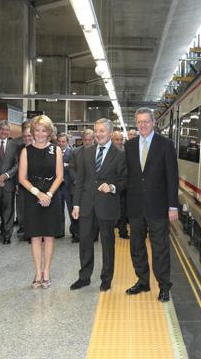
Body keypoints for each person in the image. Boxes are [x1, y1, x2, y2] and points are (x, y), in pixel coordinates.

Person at [125, 108, 179, 302]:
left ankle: (164, 286)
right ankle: (143, 282)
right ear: (136, 124)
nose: (143, 125)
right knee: (136, 247)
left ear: (154, 122)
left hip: (158, 207)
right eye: (139, 122)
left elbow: (172, 178)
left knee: (160, 249)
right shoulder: (129, 146)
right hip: (136, 207)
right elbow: (128, 176)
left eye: (146, 121)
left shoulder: (166, 145)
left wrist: (173, 206)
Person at [70, 119, 126, 292]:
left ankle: (106, 279)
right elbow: (80, 181)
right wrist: (76, 204)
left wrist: (112, 187)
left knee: (107, 244)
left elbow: (125, 180)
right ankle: (84, 277)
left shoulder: (120, 155)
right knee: (85, 241)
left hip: (107, 206)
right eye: (96, 131)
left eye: (102, 131)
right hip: (86, 204)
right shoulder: (86, 152)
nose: (99, 134)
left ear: (110, 133)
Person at [18, 115, 63, 288]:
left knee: (49, 236)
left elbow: (59, 176)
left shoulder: (56, 150)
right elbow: (22, 178)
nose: (40, 134)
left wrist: (49, 194)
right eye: (37, 130)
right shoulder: (26, 151)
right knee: (36, 236)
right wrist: (38, 193)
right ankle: (38, 271)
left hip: (52, 195)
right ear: (32, 132)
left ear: (49, 132)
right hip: (32, 195)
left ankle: (47, 271)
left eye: (44, 130)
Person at [68, 129, 95, 243]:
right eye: (85, 140)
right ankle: (77, 234)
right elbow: (71, 168)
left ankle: (93, 234)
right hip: (77, 188)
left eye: (90, 140)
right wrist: (77, 181)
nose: (87, 142)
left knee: (92, 213)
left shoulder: (98, 152)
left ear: (94, 140)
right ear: (82, 140)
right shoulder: (75, 152)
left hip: (92, 189)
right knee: (76, 212)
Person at [0, 120, 19, 244]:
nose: (4, 132)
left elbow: (16, 164)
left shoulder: (13, 145)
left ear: (9, 131)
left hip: (8, 184)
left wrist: (6, 175)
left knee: (8, 211)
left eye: (6, 129)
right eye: (2, 129)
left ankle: (7, 235)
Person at [57, 133, 78, 241]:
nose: (61, 143)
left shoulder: (73, 153)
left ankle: (74, 232)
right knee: (58, 210)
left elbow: (74, 167)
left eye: (63, 141)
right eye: (59, 141)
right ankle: (59, 232)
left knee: (71, 209)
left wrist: (67, 166)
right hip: (56, 186)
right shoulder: (54, 152)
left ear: (68, 142)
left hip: (69, 185)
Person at [16, 124, 34, 241]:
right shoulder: (19, 148)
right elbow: (17, 166)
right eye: (24, 136)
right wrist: (17, 184)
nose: (27, 138)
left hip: (35, 185)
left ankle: (33, 233)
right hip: (22, 185)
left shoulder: (38, 147)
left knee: (33, 210)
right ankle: (26, 231)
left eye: (29, 136)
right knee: (23, 209)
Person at [112, 130, 129, 239]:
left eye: (121, 139)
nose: (119, 142)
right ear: (112, 140)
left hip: (123, 186)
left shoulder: (127, 153)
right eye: (117, 139)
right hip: (109, 186)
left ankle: (123, 232)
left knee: (123, 210)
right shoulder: (106, 152)